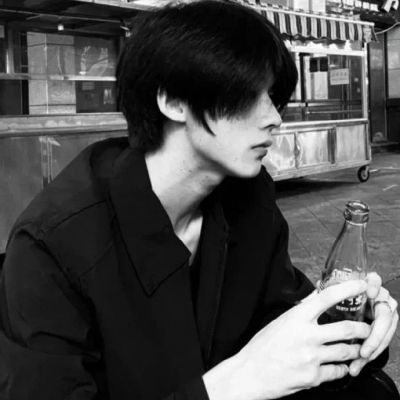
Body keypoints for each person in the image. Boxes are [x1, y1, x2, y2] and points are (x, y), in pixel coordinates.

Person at [0, 1, 398, 399]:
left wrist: (357, 324)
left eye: (272, 95)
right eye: (249, 93)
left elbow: (282, 314)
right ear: (173, 101)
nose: (274, 118)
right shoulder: (54, 245)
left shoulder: (248, 197)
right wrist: (234, 383)